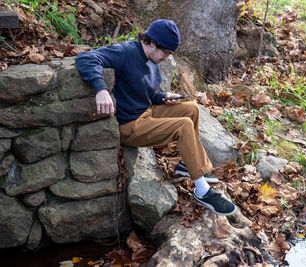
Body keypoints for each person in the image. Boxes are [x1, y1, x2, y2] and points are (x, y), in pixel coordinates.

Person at [75, 19, 236, 216]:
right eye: (166, 52)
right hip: (129, 126)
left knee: (192, 108)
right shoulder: (126, 52)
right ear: (152, 43)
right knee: (183, 126)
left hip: (147, 112)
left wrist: (162, 98)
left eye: (170, 53)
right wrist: (100, 90)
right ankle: (202, 191)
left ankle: (188, 164)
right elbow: (85, 59)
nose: (167, 58)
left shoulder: (152, 59)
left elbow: (146, 93)